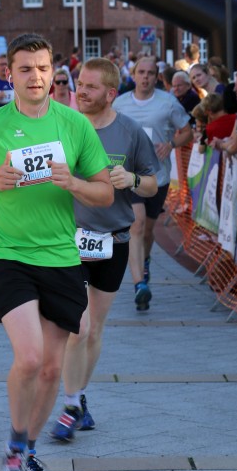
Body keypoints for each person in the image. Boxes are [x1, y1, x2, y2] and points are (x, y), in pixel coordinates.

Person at [0, 33, 112, 471]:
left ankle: (26, 449)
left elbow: (104, 192)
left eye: (43, 68)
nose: (36, 77)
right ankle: (14, 449)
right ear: (10, 75)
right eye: (25, 69)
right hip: (8, 255)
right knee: (29, 357)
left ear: (53, 72)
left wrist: (75, 183)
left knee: (50, 369)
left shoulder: (74, 125)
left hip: (60, 258)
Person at [49, 58, 158, 441]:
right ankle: (70, 405)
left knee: (94, 330)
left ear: (111, 93)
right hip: (68, 240)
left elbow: (153, 184)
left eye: (91, 86)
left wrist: (133, 179)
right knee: (77, 327)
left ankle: (79, 396)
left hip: (113, 240)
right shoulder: (61, 125)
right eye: (80, 83)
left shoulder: (130, 132)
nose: (81, 91)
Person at [113, 56, 193, 311]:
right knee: (135, 225)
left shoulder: (167, 102)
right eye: (141, 72)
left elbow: (187, 131)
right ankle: (139, 285)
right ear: (134, 75)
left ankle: (145, 261)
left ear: (156, 77)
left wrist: (171, 144)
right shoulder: (120, 103)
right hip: (129, 175)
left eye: (150, 73)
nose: (145, 77)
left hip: (157, 177)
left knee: (147, 230)